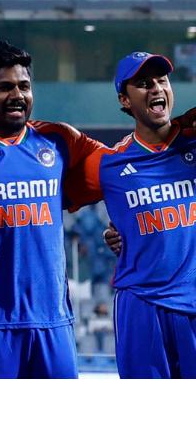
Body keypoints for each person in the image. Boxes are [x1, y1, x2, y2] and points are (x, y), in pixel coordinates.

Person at [0, 41, 105, 378]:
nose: (17, 95)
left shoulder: (59, 142)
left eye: (24, 86)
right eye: (4, 88)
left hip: (54, 323)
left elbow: (125, 171)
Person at [66, 53, 196, 378]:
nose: (156, 88)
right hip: (142, 307)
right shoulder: (107, 165)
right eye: (142, 84)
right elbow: (48, 196)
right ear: (125, 100)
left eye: (161, 80)